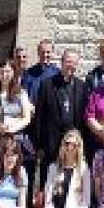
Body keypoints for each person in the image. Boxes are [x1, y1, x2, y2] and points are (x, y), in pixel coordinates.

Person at [36, 50, 87, 184]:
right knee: (48, 181)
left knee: (70, 182)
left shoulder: (82, 86)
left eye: (75, 63)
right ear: (62, 62)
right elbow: (39, 117)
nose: (71, 65)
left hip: (72, 145)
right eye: (69, 61)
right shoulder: (47, 84)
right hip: (50, 144)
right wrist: (40, 145)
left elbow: (83, 119)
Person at [20, 39, 60, 208]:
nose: (45, 55)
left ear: (52, 53)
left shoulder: (56, 74)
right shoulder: (28, 74)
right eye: (43, 52)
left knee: (47, 171)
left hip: (48, 130)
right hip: (30, 129)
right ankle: (27, 206)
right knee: (28, 169)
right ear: (38, 52)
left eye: (48, 52)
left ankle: (43, 207)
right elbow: (22, 96)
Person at [44, 129, 91, 208]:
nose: (70, 147)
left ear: (79, 148)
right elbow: (48, 199)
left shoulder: (83, 169)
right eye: (67, 143)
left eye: (74, 145)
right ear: (62, 145)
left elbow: (86, 201)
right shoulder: (53, 168)